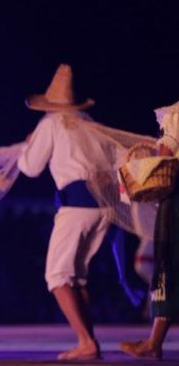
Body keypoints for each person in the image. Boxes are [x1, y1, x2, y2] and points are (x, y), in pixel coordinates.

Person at [17, 64, 109, 361]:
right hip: (104, 207)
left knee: (57, 276)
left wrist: (29, 145)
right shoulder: (88, 121)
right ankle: (89, 340)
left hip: (76, 204)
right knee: (77, 277)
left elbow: (30, 168)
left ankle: (85, 341)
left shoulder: (52, 123)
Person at [120, 101, 179, 360]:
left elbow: (167, 150)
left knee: (167, 266)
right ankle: (154, 341)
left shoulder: (176, 115)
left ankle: (154, 342)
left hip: (177, 196)